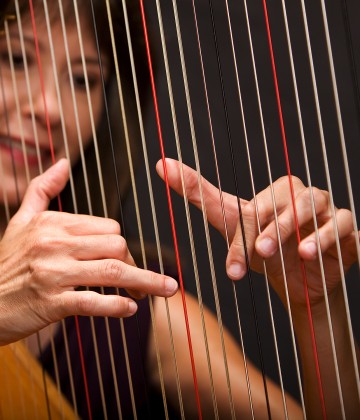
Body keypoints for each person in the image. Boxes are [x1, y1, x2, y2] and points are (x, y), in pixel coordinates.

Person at [0, 0, 358, 418]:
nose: (50, 108)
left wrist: (317, 308)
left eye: (83, 79)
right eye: (16, 58)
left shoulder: (125, 299)